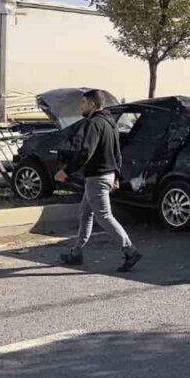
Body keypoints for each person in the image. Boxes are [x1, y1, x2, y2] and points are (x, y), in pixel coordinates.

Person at [55, 89, 141, 272]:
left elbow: (85, 152)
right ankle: (76, 253)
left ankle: (130, 250)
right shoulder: (110, 123)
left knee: (104, 216)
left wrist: (66, 171)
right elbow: (117, 153)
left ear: (92, 104)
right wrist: (116, 175)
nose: (81, 106)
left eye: (83, 103)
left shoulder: (93, 124)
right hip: (105, 176)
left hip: (97, 177)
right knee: (85, 212)